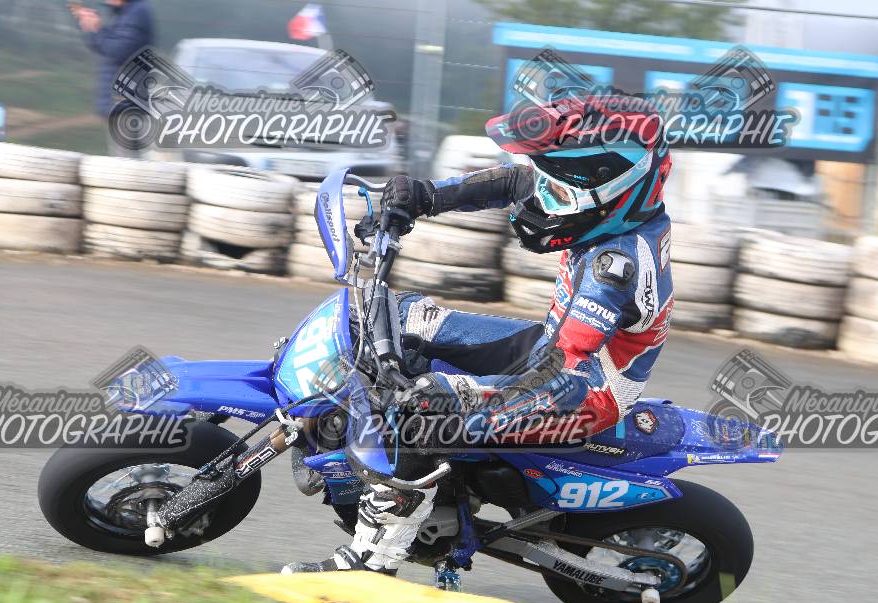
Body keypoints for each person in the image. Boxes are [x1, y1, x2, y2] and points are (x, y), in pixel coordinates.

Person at [282, 95, 674, 575]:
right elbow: (515, 181)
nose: (543, 197)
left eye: (558, 190)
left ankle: (374, 561)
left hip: (583, 388)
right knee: (405, 318)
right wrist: (424, 195)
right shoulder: (611, 210)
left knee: (424, 413)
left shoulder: (614, 270)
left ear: (612, 190)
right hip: (556, 347)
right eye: (547, 181)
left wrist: (447, 393)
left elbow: (563, 372)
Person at [70, 0, 155, 156]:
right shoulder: (127, 13)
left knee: (126, 164)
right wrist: (95, 26)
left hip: (126, 104)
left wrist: (95, 30)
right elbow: (111, 44)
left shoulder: (137, 12)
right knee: (123, 161)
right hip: (121, 103)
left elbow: (118, 50)